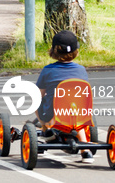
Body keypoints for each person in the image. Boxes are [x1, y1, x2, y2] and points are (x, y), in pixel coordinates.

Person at [35, 30, 92, 163]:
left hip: (53, 114)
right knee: (76, 110)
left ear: (54, 51)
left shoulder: (48, 70)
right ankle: (86, 151)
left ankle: (46, 130)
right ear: (76, 50)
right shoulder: (81, 70)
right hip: (78, 114)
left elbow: (39, 95)